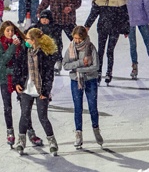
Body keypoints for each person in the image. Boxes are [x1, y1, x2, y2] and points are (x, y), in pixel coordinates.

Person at [12, 28, 58, 156]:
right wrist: (16, 82)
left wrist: (46, 91)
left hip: (40, 90)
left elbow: (49, 75)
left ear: (33, 40)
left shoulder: (45, 54)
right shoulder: (24, 51)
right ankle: (21, 142)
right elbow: (17, 67)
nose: (25, 40)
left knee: (43, 117)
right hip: (26, 89)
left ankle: (52, 142)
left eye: (27, 38)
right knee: (24, 116)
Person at [61, 26, 103, 149]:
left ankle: (96, 129)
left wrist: (79, 69)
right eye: (75, 38)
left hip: (90, 80)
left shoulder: (91, 47)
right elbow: (65, 65)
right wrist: (79, 63)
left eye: (79, 38)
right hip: (76, 80)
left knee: (93, 107)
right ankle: (78, 134)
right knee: (78, 107)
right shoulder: (71, 48)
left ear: (84, 38)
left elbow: (95, 66)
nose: (76, 41)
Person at [84, 0, 130, 85]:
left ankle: (109, 72)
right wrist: (87, 26)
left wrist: (125, 29)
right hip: (102, 28)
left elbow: (124, 15)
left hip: (115, 28)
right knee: (101, 51)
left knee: (110, 51)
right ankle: (99, 72)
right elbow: (93, 14)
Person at [28, 9, 63, 75]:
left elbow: (58, 43)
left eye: (46, 18)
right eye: (42, 18)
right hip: (36, 52)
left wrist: (58, 57)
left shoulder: (55, 28)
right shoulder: (34, 28)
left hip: (49, 54)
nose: (44, 20)